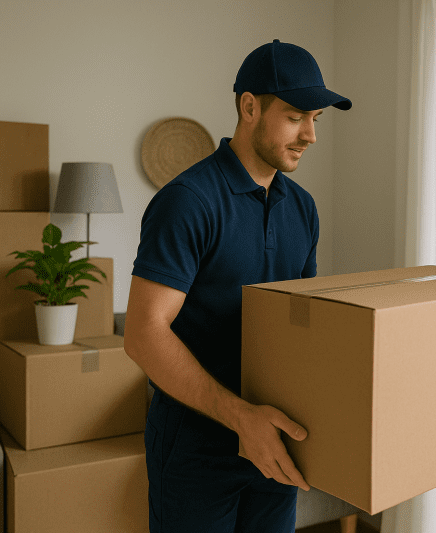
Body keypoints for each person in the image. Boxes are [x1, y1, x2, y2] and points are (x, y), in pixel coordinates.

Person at [124, 40, 351, 533]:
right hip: (196, 448)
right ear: (250, 107)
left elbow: (302, 325)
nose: (311, 135)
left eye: (316, 119)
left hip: (275, 442)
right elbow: (143, 334)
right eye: (295, 117)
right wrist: (241, 417)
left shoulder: (303, 207)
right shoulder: (188, 201)